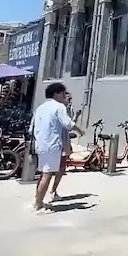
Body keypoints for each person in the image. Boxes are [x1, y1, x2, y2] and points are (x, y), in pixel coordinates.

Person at [29, 82, 81, 212]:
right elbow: (68, 124)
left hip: (39, 144)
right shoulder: (59, 107)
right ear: (57, 93)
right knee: (47, 174)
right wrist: (80, 131)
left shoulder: (40, 108)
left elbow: (31, 128)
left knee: (43, 174)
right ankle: (38, 204)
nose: (65, 95)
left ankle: (37, 200)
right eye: (63, 93)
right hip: (52, 145)